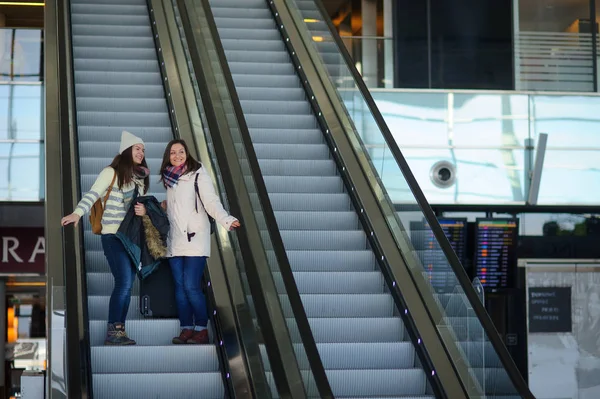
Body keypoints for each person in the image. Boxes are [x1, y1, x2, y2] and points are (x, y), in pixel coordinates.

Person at [61, 131, 149, 345]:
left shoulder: (140, 180)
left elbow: (139, 209)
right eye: (137, 148)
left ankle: (119, 330)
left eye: (143, 150)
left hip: (131, 239)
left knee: (127, 285)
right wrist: (77, 213)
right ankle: (113, 331)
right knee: (124, 282)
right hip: (112, 235)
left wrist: (144, 212)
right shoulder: (111, 172)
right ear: (127, 150)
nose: (141, 152)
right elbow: (92, 194)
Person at [159, 139, 240, 344]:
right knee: (179, 287)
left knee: (191, 285)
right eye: (173, 153)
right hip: (174, 239)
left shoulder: (198, 174)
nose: (177, 156)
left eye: (181, 152)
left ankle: (201, 328)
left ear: (187, 154)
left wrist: (226, 219)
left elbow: (211, 202)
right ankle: (186, 328)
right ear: (168, 157)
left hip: (194, 238)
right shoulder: (169, 178)